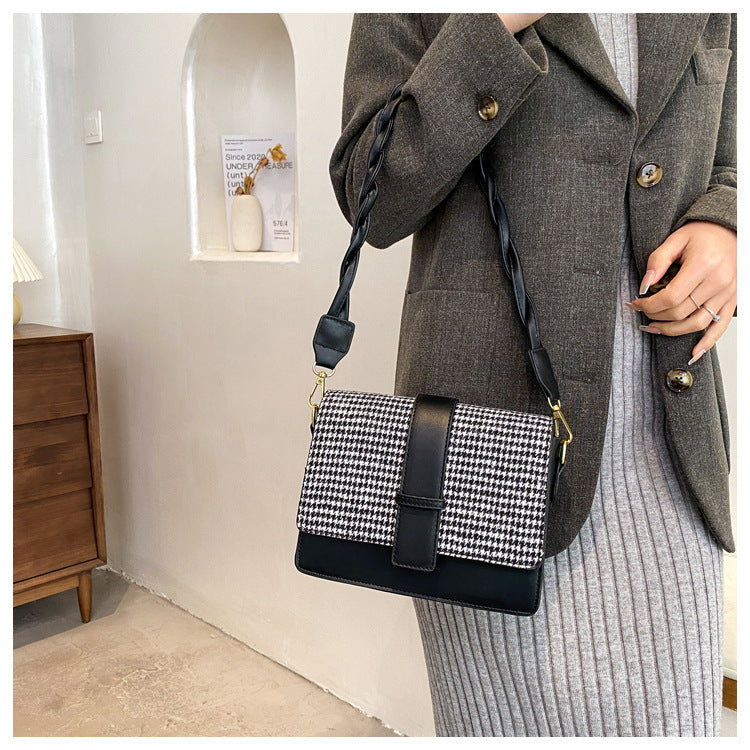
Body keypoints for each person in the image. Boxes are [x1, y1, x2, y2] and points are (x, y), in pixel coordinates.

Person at [328, 13, 736, 737]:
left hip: (668, 445)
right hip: (488, 458)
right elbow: (372, 193)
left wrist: (726, 225)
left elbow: (726, 161)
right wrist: (494, 23)